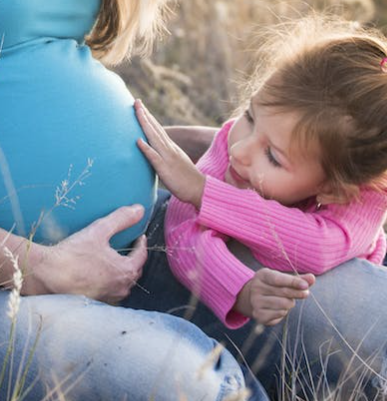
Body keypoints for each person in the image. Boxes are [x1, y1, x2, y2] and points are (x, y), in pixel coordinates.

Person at [122, 16, 387, 400]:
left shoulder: (364, 196)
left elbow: (316, 247)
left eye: (273, 156)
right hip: (275, 279)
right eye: (250, 116)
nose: (239, 151)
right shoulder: (238, 145)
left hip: (365, 267)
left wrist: (204, 192)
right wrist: (235, 287)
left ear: (335, 190)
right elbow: (181, 230)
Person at [0, 1, 264, 399]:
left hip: (132, 244)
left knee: (331, 303)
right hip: (19, 280)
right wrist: (41, 267)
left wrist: (207, 155)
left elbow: (33, 72)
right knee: (186, 384)